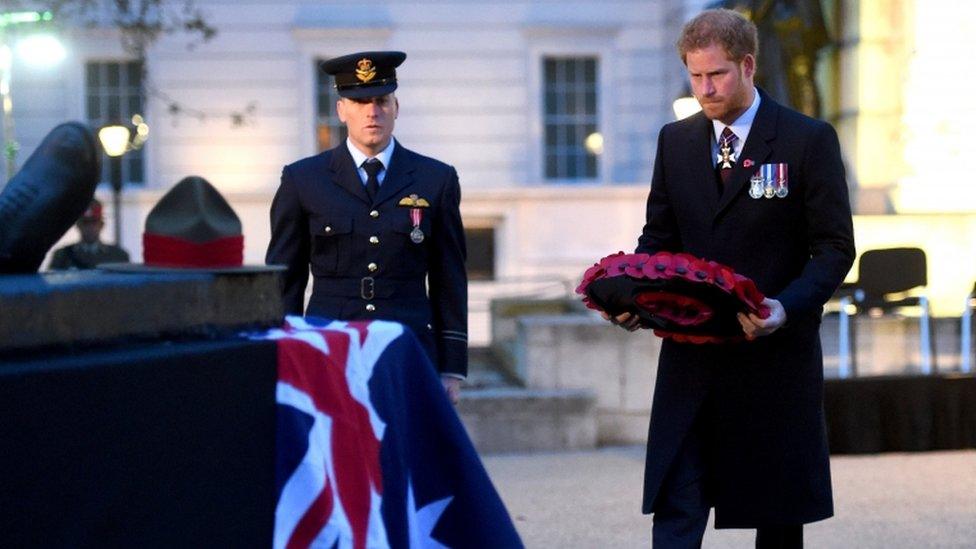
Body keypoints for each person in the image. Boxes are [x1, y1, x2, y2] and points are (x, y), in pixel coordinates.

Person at [604, 9, 855, 548]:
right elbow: (659, 240)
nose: (705, 88)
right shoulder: (676, 141)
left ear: (747, 65)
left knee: (777, 514)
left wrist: (785, 307)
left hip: (773, 358)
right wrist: (633, 294)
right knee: (677, 503)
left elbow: (834, 248)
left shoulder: (807, 139)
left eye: (715, 74)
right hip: (692, 359)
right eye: (695, 76)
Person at [266, 51, 468, 404]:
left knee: (403, 453)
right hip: (329, 346)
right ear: (342, 109)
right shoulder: (303, 179)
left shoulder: (436, 179)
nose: (371, 111)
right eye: (359, 102)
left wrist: (451, 366)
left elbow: (448, 277)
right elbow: (286, 277)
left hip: (406, 347)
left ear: (396, 107)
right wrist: (283, 354)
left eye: (381, 100)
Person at [48, 199, 130, 270]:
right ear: (78, 225)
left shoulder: (118, 256)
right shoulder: (62, 256)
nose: (90, 227)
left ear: (101, 225)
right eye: (85, 222)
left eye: (94, 222)